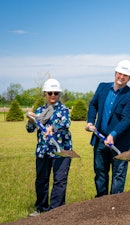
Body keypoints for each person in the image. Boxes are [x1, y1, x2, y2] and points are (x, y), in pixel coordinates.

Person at [86, 59, 130, 197]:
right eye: (119, 73)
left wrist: (113, 134)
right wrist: (90, 122)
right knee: (100, 172)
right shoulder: (102, 87)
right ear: (115, 72)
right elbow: (93, 105)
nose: (121, 77)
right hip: (100, 139)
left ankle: (114, 206)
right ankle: (101, 201)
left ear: (129, 78)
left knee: (118, 176)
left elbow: (127, 120)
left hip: (120, 143)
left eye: (125, 75)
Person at [26, 78, 72, 217]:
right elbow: (30, 129)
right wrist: (30, 120)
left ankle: (55, 211)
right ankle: (41, 208)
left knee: (59, 180)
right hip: (43, 151)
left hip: (61, 151)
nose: (53, 95)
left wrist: (53, 128)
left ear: (59, 94)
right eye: (50, 93)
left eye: (56, 93)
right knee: (41, 180)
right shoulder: (40, 111)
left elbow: (65, 124)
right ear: (45, 94)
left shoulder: (64, 110)